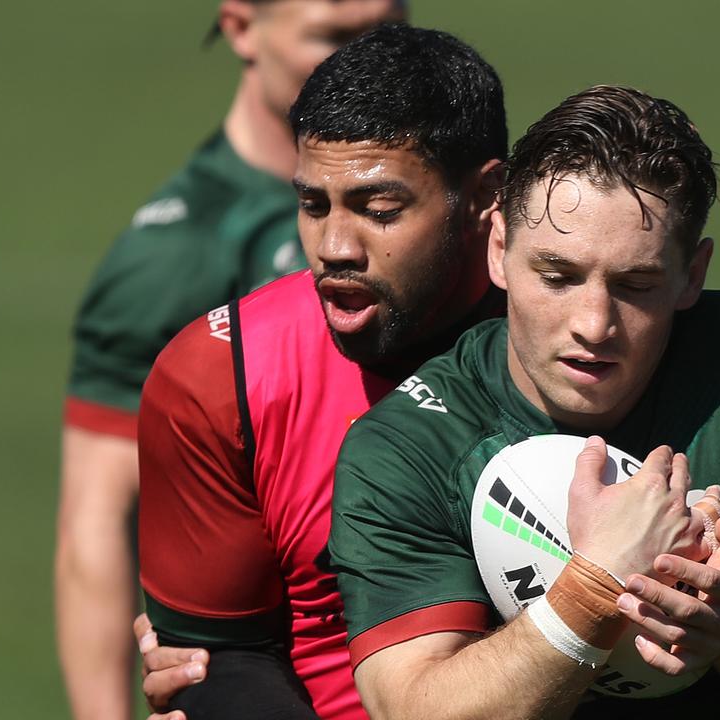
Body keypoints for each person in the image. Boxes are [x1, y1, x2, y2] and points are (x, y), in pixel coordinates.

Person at [327, 84, 720, 720]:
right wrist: (597, 582)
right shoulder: (408, 446)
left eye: (636, 284)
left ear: (693, 273)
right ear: (499, 249)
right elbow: (415, 706)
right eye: (557, 276)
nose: (594, 323)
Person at [134, 23, 504, 720]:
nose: (334, 247)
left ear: (486, 196)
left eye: (379, 209)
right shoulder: (218, 378)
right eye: (312, 204)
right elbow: (216, 661)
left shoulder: (590, 343)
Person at [55, 2, 403, 717]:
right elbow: (94, 524)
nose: (365, 63)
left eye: (385, 33)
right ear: (242, 26)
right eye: (332, 39)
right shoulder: (175, 256)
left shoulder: (461, 215)